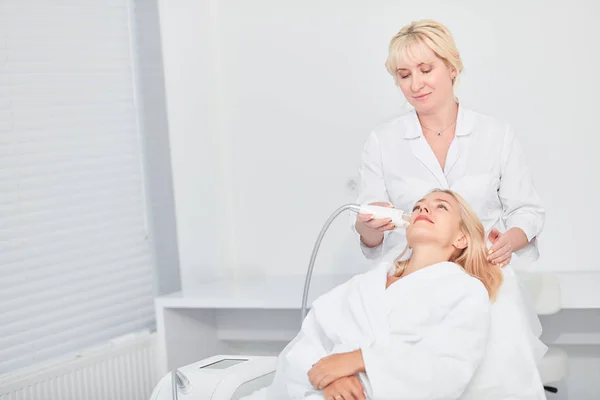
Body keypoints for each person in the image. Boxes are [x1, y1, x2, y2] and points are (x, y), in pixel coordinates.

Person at [241, 190, 544, 400]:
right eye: (419, 206)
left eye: (440, 206)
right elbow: (306, 346)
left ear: (462, 238)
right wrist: (333, 377)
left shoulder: (465, 291)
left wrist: (358, 361)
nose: (423, 208)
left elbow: (446, 370)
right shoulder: (362, 286)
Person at [353, 19, 545, 272]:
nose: (415, 84)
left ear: (451, 68)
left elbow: (527, 211)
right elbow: (371, 241)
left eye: (426, 69)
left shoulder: (496, 135)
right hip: (408, 276)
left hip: (482, 273)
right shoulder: (383, 140)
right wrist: (368, 224)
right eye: (404, 75)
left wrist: (509, 241)